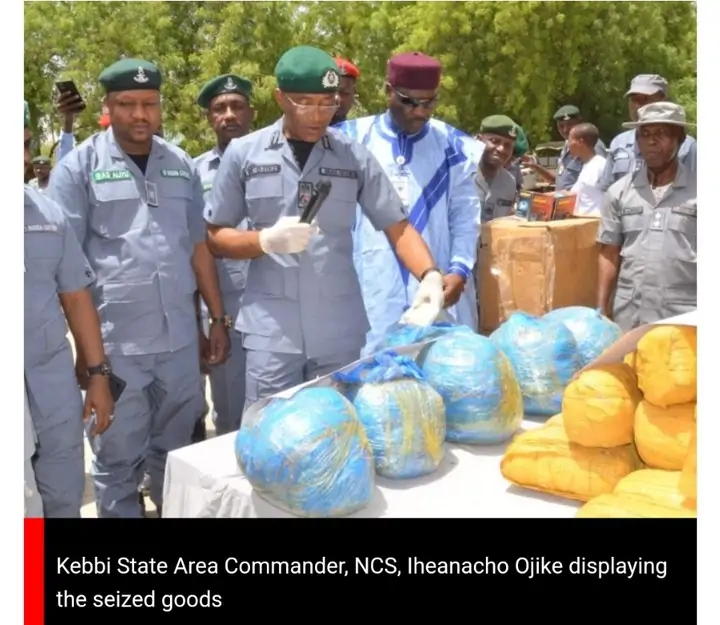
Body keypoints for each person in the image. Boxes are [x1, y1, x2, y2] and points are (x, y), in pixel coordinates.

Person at [205, 45, 445, 408]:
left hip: (338, 330)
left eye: (327, 103)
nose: (319, 115)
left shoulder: (353, 156)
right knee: (270, 427)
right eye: (305, 103)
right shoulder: (244, 154)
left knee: (338, 426)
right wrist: (264, 241)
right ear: (280, 99)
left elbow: (397, 227)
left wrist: (429, 275)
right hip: (272, 333)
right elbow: (215, 237)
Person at [47, 59, 229, 518]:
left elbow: (198, 249)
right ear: (108, 106)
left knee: (178, 457)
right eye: (127, 104)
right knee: (116, 462)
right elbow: (66, 272)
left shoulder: (180, 164)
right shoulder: (78, 169)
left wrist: (216, 319)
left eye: (149, 103)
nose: (140, 114)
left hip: (179, 345)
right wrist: (90, 361)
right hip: (117, 348)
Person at [336, 51, 482, 353]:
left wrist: (459, 270)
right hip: (369, 286)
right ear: (388, 91)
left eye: (429, 103)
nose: (420, 112)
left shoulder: (454, 146)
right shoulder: (350, 139)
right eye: (410, 102)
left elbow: (465, 216)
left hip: (436, 287)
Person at [24, 99, 114, 518]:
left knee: (63, 495)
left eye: (24, 143)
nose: (22, 155)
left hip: (51, 384)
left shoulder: (47, 213)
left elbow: (76, 297)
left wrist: (98, 376)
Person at [597, 102, 696, 331]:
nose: (651, 141)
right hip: (630, 316)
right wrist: (601, 310)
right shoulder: (619, 192)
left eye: (662, 133)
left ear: (680, 138)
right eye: (645, 133)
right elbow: (609, 253)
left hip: (682, 318)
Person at [195, 73, 255, 435]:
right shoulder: (194, 171)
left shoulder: (281, 161)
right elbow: (191, 248)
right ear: (209, 118)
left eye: (237, 106)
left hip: (278, 307)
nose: (229, 114)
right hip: (223, 314)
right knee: (231, 416)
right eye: (220, 108)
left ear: (251, 113)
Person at [598, 74, 697, 191]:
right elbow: (606, 188)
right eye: (633, 99)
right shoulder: (619, 142)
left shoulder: (687, 146)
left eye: (644, 99)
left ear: (662, 100)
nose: (637, 106)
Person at [523, 105, 606, 191]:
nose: (565, 130)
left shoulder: (593, 145)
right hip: (563, 198)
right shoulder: (567, 145)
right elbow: (558, 180)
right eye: (561, 126)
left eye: (570, 124)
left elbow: (598, 182)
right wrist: (535, 167)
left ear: (580, 123)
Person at [475, 115, 519, 223]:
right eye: (494, 141)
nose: (501, 149)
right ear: (479, 140)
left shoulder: (509, 182)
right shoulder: (460, 174)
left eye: (508, 145)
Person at [567, 123, 607, 216]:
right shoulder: (587, 165)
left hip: (595, 222)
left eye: (570, 141)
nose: (568, 145)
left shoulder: (601, 166)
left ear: (580, 142)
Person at [331, 57, 359, 126]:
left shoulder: (361, 131)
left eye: (344, 93)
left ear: (353, 95)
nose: (337, 98)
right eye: (331, 92)